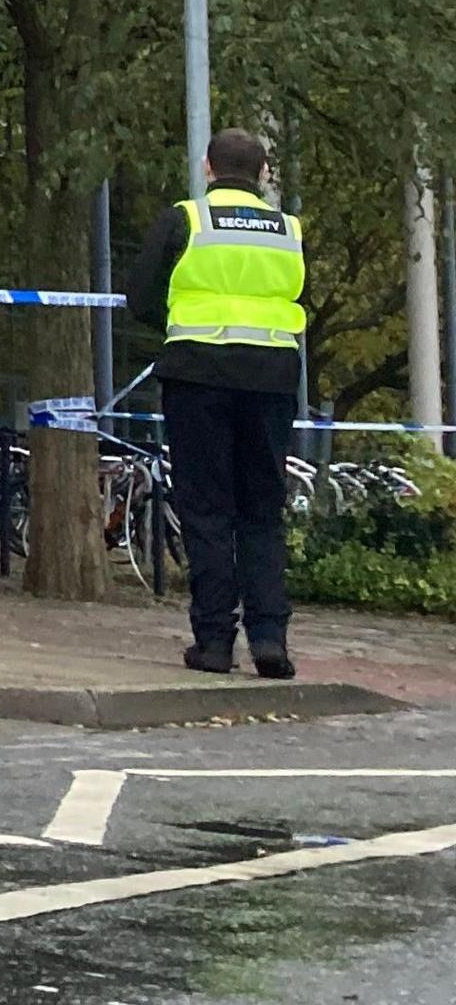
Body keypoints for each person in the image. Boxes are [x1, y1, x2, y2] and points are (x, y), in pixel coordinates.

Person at [139, 129, 308, 679]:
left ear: (208, 168)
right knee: (262, 511)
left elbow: (140, 297)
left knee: (206, 510)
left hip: (199, 377)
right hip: (272, 382)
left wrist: (181, 326)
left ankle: (214, 643)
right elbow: (302, 298)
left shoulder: (185, 219)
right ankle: (270, 642)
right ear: (262, 175)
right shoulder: (288, 230)